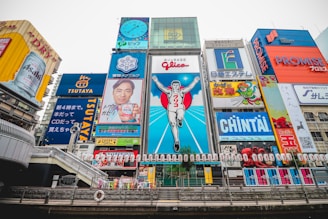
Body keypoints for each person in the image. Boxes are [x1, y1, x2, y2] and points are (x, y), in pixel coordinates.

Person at [152, 75, 200, 152]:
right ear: (172, 86)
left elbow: (189, 87)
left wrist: (195, 81)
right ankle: (176, 141)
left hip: (180, 107)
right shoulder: (169, 92)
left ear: (179, 86)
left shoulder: (181, 92)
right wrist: (156, 80)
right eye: (174, 85)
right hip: (171, 109)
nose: (175, 86)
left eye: (177, 85)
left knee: (180, 113)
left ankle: (180, 119)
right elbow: (161, 87)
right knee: (173, 124)